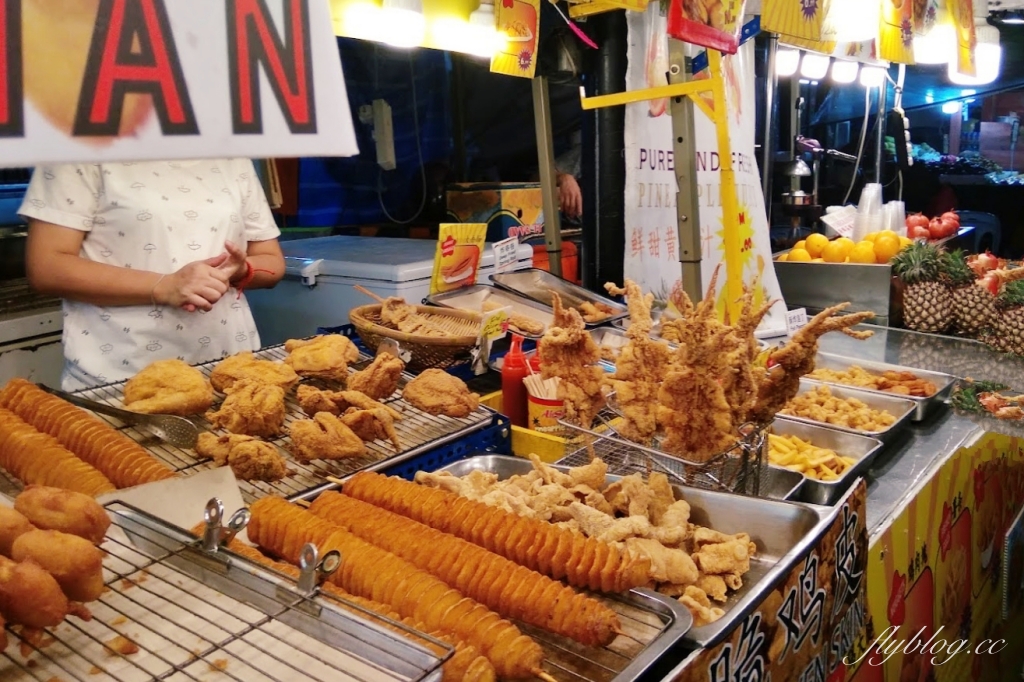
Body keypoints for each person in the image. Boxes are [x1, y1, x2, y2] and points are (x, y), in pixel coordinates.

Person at [20, 158, 286, 391]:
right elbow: (47, 266)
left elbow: (272, 263)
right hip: (122, 380)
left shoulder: (231, 158)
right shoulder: (79, 153)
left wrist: (240, 271)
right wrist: (164, 286)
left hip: (230, 373)